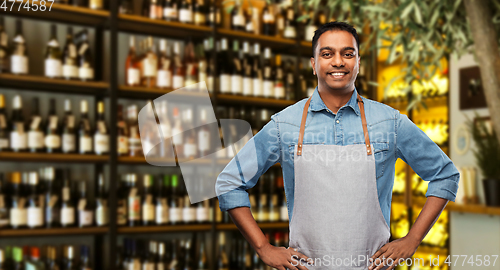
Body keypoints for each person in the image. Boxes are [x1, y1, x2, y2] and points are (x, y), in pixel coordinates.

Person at [215, 21, 459, 270]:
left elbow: (445, 175)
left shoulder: (390, 122)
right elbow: (230, 182)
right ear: (313, 64)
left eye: (348, 53)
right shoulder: (284, 125)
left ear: (358, 62)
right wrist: (263, 248)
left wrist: (413, 239)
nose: (338, 61)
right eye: (327, 53)